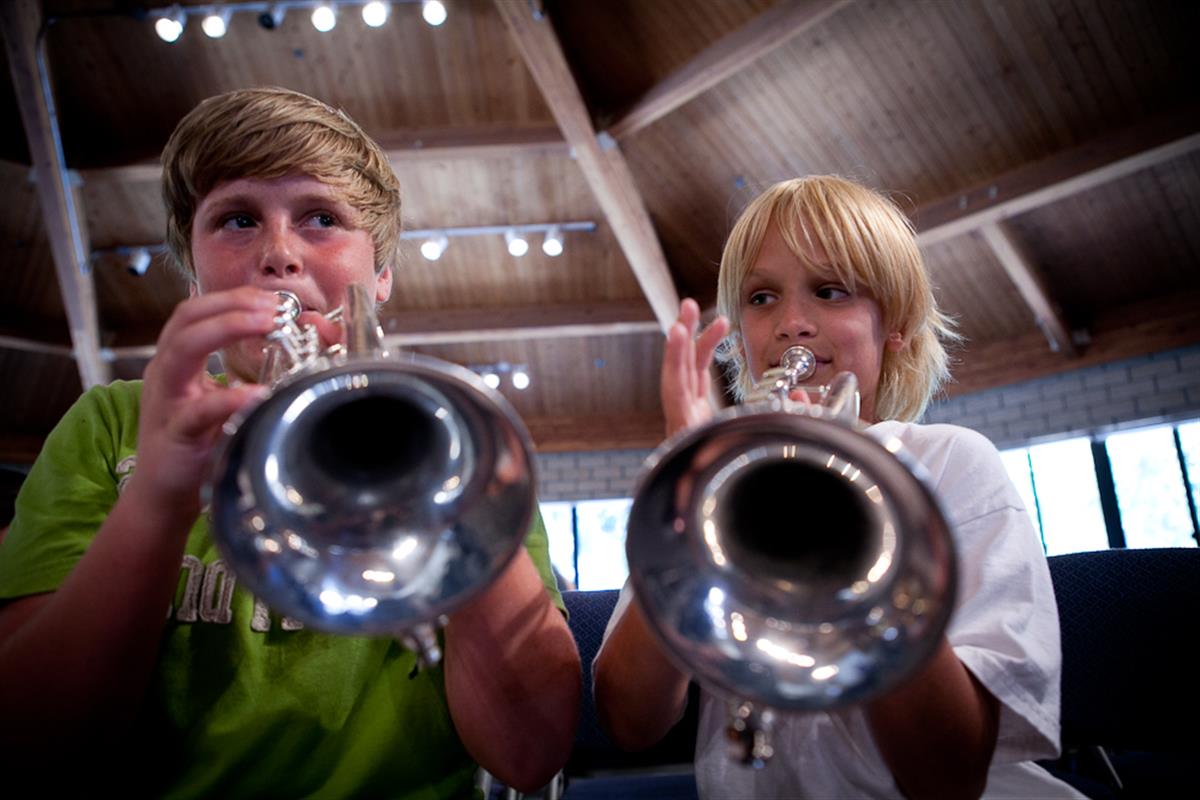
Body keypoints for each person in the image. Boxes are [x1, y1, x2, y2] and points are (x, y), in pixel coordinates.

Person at [0, 87, 581, 798]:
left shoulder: (451, 434)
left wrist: (434, 476)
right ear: (193, 271)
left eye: (322, 219)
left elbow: (529, 752)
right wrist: (155, 500)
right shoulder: (109, 424)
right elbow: (30, 747)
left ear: (381, 276)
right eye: (238, 219)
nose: (279, 253)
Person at [594, 176, 1084, 798]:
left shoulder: (950, 462)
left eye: (831, 292)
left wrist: (848, 535)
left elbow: (948, 773)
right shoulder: (718, 487)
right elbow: (630, 721)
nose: (792, 324)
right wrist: (683, 505)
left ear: (894, 325)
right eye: (762, 298)